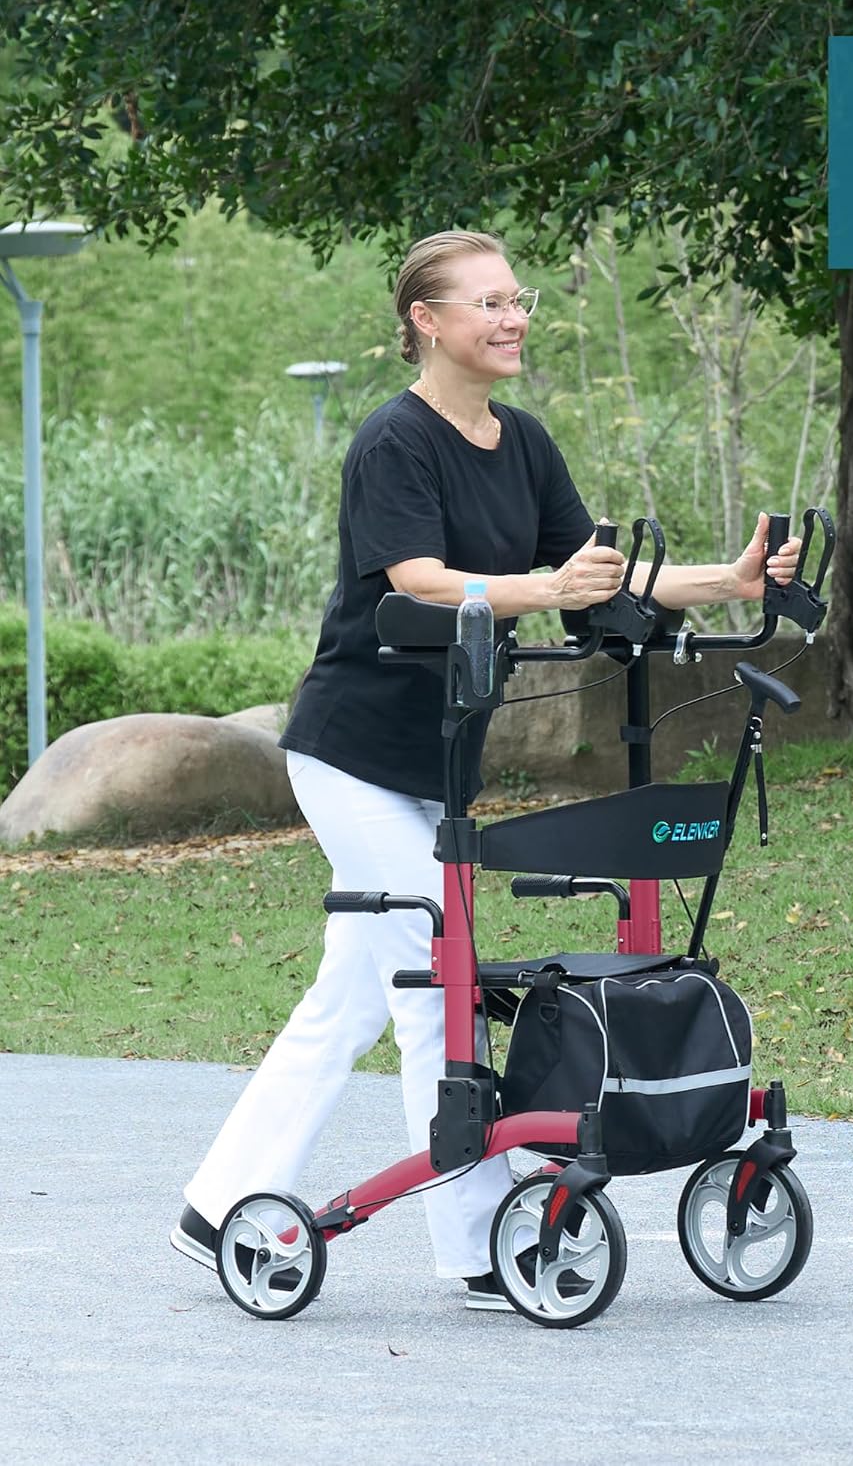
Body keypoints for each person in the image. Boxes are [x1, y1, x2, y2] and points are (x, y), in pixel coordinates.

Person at [170, 229, 802, 1310]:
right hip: (355, 753)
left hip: (439, 761)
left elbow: (597, 582)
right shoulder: (393, 443)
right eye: (489, 303)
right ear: (427, 319)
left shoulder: (526, 442)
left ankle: (218, 1204)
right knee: (434, 982)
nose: (513, 319)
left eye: (520, 300)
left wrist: (729, 577)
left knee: (350, 998)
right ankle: (476, 1239)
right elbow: (416, 582)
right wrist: (547, 590)